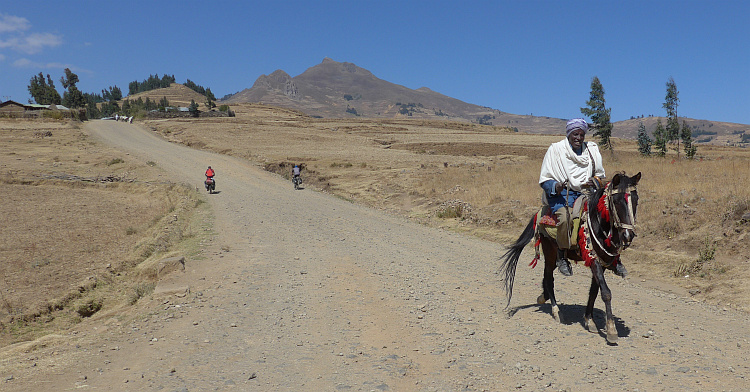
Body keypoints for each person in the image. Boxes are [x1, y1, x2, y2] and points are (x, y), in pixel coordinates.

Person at [539, 118, 626, 277]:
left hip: (586, 193)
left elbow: (600, 175)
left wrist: (595, 181)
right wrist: (556, 186)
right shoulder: (556, 150)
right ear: (569, 134)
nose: (578, 138)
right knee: (565, 218)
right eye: (575, 134)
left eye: (581, 134)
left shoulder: (591, 150)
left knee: (609, 214)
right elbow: (545, 180)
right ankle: (562, 254)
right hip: (562, 194)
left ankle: (614, 257)